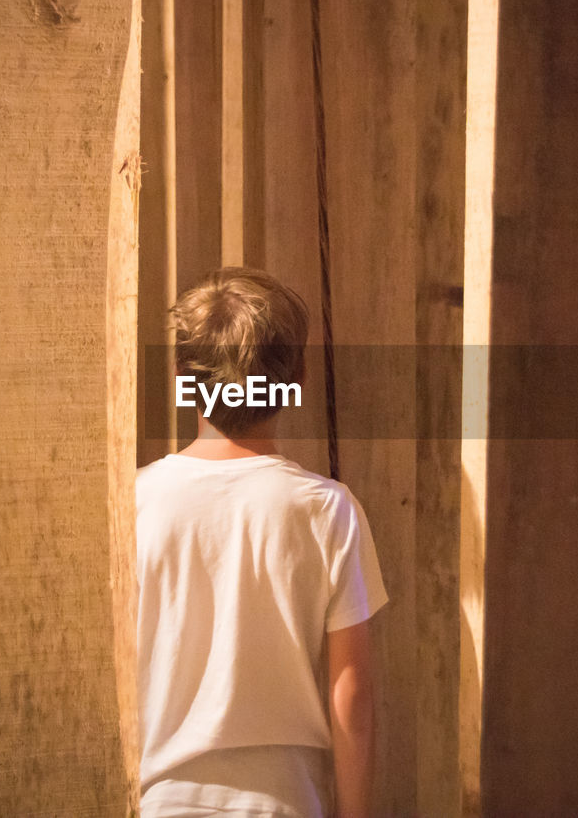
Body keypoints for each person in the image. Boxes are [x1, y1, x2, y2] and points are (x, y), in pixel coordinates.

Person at [135, 267, 389, 817]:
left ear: (182, 374)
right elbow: (353, 696)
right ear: (294, 379)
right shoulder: (326, 509)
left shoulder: (132, 503)